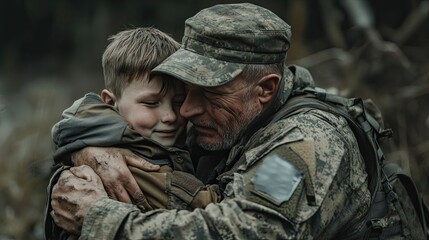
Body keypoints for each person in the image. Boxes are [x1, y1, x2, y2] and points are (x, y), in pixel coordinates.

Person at [50, 3, 384, 239]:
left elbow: (248, 231)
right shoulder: (227, 117)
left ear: (265, 89)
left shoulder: (308, 142)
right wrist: (93, 147)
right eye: (185, 91)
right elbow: (107, 109)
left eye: (209, 93)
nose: (184, 111)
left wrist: (102, 222)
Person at [45, 27, 220, 239]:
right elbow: (205, 207)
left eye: (178, 101)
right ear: (110, 102)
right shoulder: (129, 165)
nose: (170, 116)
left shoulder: (170, 141)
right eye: (151, 103)